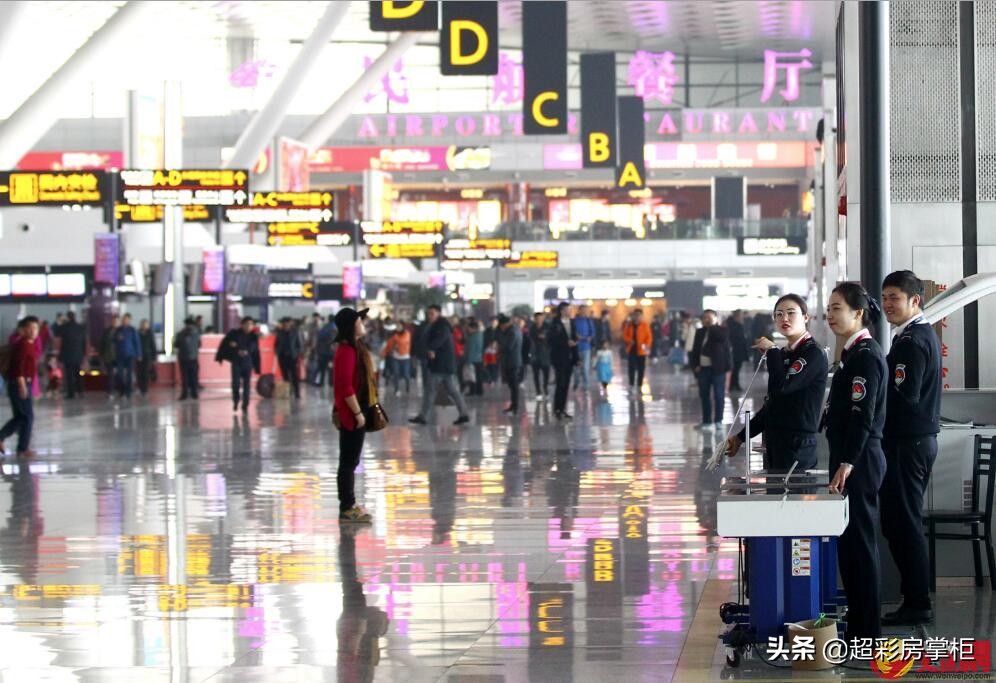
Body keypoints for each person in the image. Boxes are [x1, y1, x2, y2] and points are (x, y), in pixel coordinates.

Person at [824, 282, 888, 641]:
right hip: (850, 459)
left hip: (860, 461)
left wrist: (847, 462)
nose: (830, 315)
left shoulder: (865, 355)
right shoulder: (853, 353)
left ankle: (868, 632)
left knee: (860, 545)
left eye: (837, 308)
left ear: (858, 313)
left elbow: (863, 415)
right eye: (829, 309)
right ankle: (859, 626)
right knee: (849, 545)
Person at [879, 270, 942, 626]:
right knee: (898, 522)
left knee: (904, 523)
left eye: (895, 298)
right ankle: (914, 597)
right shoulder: (912, 336)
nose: (888, 304)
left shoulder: (912, 342)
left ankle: (918, 601)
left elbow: (905, 396)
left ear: (914, 301)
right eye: (884, 297)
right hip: (912, 441)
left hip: (908, 443)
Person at [716, 295, 828, 472]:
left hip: (797, 446)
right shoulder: (785, 353)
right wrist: (740, 438)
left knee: (792, 490)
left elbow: (782, 387)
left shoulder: (812, 353)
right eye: (779, 314)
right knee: (774, 489)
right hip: (776, 443)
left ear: (806, 317)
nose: (784, 318)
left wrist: (772, 350)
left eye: (791, 313)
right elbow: (773, 405)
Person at [332, 307, 375, 524]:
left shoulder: (355, 347)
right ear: (351, 326)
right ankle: (347, 507)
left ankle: (349, 504)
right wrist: (358, 414)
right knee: (348, 461)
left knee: (351, 460)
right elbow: (345, 386)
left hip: (356, 409)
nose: (363, 323)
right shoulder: (347, 351)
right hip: (351, 412)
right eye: (360, 320)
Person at [408, 305, 470, 426]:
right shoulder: (436, 325)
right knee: (452, 390)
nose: (429, 316)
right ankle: (464, 414)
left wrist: (431, 349)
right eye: (428, 313)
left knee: (430, 390)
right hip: (442, 364)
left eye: (432, 313)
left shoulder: (441, 326)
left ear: (439, 313)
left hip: (441, 364)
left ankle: (423, 416)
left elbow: (439, 340)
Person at [0, 317, 40, 458]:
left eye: (36, 328)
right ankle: (21, 448)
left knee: (22, 416)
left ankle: (20, 447)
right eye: (30, 328)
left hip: (22, 383)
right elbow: (19, 367)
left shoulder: (29, 344)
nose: (33, 331)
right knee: (27, 416)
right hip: (20, 383)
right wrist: (22, 385)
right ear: (23, 330)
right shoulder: (23, 345)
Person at [690, 310, 730, 430]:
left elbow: (721, 339)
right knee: (704, 394)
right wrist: (695, 365)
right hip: (703, 369)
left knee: (719, 395)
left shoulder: (721, 330)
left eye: (709, 317)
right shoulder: (699, 332)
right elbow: (695, 349)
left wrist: (712, 326)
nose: (706, 320)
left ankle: (718, 420)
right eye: (704, 317)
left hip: (718, 369)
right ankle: (706, 421)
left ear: (715, 319)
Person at [216, 317, 261, 413]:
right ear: (242, 325)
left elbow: (254, 350)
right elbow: (227, 344)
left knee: (247, 384)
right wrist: (237, 350)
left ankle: (245, 404)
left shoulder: (254, 336)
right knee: (235, 383)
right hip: (236, 362)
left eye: (251, 324)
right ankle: (236, 400)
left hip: (248, 362)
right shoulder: (234, 334)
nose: (249, 326)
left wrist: (242, 349)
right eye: (247, 324)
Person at [547, 302, 578, 420]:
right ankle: (557, 409)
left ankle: (563, 409)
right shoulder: (555, 324)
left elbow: (574, 340)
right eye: (568, 310)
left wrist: (576, 358)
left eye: (570, 309)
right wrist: (565, 343)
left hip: (569, 358)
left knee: (566, 384)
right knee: (560, 383)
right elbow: (551, 340)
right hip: (559, 357)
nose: (570, 311)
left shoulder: (572, 322)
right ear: (562, 311)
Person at [497, 314, 523, 416]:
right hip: (513, 361)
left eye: (501, 326)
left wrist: (499, 348)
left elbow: (508, 347)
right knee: (513, 386)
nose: (501, 328)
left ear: (505, 324)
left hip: (512, 362)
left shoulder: (512, 332)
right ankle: (513, 406)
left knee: (514, 385)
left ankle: (514, 407)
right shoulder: (515, 330)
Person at [112, 313, 141, 400]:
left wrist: (139, 354)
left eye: (127, 319)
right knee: (119, 374)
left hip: (130, 355)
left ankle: (128, 392)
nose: (125, 321)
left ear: (129, 320)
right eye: (124, 319)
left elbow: (137, 342)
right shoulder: (118, 330)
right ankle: (122, 391)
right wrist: (117, 338)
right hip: (120, 355)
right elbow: (113, 341)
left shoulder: (132, 330)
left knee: (129, 374)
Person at [622, 309, 652, 391]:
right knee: (631, 368)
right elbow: (625, 335)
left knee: (641, 368)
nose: (637, 317)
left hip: (641, 351)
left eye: (639, 315)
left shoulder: (645, 325)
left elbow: (649, 337)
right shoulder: (629, 325)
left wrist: (646, 345)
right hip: (631, 349)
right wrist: (629, 340)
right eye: (635, 315)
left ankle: (639, 384)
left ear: (641, 316)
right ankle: (631, 384)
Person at [58, 312, 86, 399]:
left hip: (68, 355)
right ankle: (80, 391)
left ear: (68, 317)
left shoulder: (64, 327)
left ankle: (71, 393)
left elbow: (62, 343)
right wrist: (83, 355)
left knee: (69, 375)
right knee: (78, 374)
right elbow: (84, 342)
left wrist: (60, 356)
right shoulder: (80, 328)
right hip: (78, 355)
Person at [381, 322, 412, 397]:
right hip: (396, 358)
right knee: (396, 374)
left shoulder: (407, 334)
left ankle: (408, 387)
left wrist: (397, 345)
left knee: (406, 374)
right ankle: (396, 390)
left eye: (400, 326)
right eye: (397, 326)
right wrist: (384, 353)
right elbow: (389, 345)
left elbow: (406, 343)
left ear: (403, 327)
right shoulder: (394, 336)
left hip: (405, 358)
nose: (398, 328)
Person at [275, 317, 303, 400]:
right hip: (282, 357)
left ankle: (297, 393)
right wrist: (277, 351)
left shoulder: (295, 332)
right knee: (285, 375)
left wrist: (297, 354)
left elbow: (299, 345)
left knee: (294, 375)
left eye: (287, 323)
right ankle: (288, 392)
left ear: (290, 324)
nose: (285, 325)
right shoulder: (280, 332)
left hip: (292, 357)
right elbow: (276, 344)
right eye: (284, 323)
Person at [175, 318, 200, 400]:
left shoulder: (180, 333)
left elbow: (176, 344)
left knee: (184, 377)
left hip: (183, 358)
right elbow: (199, 344)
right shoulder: (196, 333)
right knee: (194, 376)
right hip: (193, 358)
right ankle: (194, 394)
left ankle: (184, 394)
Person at [572, 305, 595, 391]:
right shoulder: (574, 321)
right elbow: (572, 332)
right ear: (579, 310)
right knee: (576, 368)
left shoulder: (589, 321)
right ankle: (576, 382)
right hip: (576, 347)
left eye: (586, 310)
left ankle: (586, 385)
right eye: (583, 310)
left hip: (586, 347)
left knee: (585, 367)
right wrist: (576, 335)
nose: (584, 312)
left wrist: (590, 337)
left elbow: (592, 332)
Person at [529, 312, 551, 399]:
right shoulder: (532, 328)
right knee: (536, 375)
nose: (539, 320)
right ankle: (538, 391)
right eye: (537, 319)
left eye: (541, 318)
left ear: (543, 318)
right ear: (535, 319)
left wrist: (545, 337)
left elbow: (552, 338)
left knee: (546, 374)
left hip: (546, 354)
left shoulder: (547, 327)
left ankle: (545, 388)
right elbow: (530, 339)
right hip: (535, 354)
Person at [727, 310, 749, 391]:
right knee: (735, 369)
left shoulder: (738, 325)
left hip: (739, 350)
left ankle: (733, 385)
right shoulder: (734, 326)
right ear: (736, 317)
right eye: (741, 315)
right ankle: (734, 385)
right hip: (736, 351)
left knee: (736, 368)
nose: (742, 317)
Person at [100, 315, 119, 398]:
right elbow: (102, 343)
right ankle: (110, 392)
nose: (115, 323)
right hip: (108, 356)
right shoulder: (107, 331)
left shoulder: (121, 331)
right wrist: (102, 354)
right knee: (110, 374)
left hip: (119, 357)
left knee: (120, 375)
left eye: (116, 321)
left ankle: (121, 391)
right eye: (113, 321)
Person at [314, 316, 337, 387]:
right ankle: (331, 382)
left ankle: (320, 382)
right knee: (331, 368)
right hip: (330, 353)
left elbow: (318, 339)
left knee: (321, 368)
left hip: (322, 352)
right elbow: (334, 341)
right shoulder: (334, 328)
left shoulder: (323, 328)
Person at [463, 320, 484, 396]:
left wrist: (468, 361)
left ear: (473, 328)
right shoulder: (480, 335)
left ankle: (472, 391)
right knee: (478, 376)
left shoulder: (472, 337)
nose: (468, 329)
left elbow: (471, 349)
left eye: (469, 328)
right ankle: (479, 391)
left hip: (473, 359)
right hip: (479, 358)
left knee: (471, 376)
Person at [136, 319, 156, 397]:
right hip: (139, 356)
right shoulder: (137, 333)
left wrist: (154, 357)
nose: (144, 326)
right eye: (143, 324)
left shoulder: (150, 334)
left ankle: (145, 389)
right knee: (139, 373)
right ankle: (140, 388)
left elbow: (153, 345)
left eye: (146, 324)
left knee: (145, 373)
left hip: (148, 356)